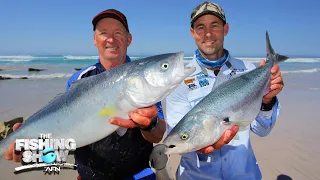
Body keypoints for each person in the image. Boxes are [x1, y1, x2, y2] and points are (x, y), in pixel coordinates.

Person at [4, 9, 166, 180]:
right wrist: (35, 147)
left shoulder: (145, 78)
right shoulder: (79, 79)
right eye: (104, 33)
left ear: (129, 39)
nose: (111, 39)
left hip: (140, 175)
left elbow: (159, 134)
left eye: (118, 33)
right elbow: (69, 129)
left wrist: (150, 124)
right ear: (95, 40)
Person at [161, 2, 284, 180]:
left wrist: (267, 102)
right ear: (192, 33)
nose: (208, 34)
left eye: (215, 25)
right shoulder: (179, 81)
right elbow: (179, 138)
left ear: (225, 29)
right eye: (200, 27)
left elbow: (262, 130)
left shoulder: (249, 70)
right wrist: (199, 147)